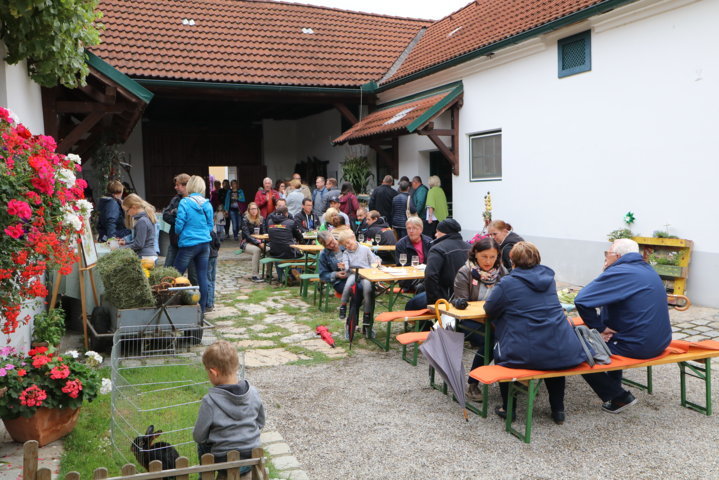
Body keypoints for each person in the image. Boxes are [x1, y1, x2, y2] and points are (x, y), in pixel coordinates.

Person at [484, 242, 585, 424]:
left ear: (511, 261)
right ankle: (558, 410)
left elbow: (489, 309)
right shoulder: (549, 280)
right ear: (537, 259)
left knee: (502, 351)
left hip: (525, 352)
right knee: (551, 357)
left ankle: (508, 408)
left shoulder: (508, 283)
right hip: (560, 348)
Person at [575, 238, 672, 413]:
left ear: (617, 256)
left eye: (607, 253)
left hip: (639, 345)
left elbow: (581, 300)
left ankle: (618, 396)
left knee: (577, 349)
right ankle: (615, 387)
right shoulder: (648, 269)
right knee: (611, 333)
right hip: (661, 341)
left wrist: (599, 328)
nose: (605, 257)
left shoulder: (619, 272)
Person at [194, 341, 265, 480]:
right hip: (252, 456)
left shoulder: (210, 401)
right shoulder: (254, 393)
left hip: (224, 462)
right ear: (236, 366)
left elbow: (198, 436)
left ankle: (204, 477)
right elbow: (261, 422)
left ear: (213, 372)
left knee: (202, 444)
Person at [453, 238, 507, 401]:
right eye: (484, 256)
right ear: (475, 254)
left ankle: (515, 380)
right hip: (470, 320)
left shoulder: (502, 271)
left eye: (492, 257)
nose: (488, 261)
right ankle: (473, 384)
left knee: (514, 336)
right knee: (491, 341)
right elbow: (463, 304)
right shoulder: (465, 272)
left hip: (494, 319)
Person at [405, 218, 469, 311]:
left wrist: (434, 302)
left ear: (443, 232)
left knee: (410, 305)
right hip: (465, 297)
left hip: (444, 297)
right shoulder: (469, 247)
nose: (435, 235)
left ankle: (425, 325)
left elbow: (430, 276)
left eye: (437, 232)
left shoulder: (438, 248)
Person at [173, 175, 214, 312]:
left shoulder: (185, 202)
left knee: (176, 274)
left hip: (188, 243)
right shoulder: (207, 204)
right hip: (204, 244)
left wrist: (182, 232)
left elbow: (179, 225)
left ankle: (173, 306)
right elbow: (210, 225)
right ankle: (201, 310)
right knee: (202, 276)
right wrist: (202, 233)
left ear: (190, 186)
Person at [337, 230, 380, 329]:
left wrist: (377, 263)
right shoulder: (346, 253)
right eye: (345, 245)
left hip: (365, 274)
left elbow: (373, 262)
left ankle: (367, 314)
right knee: (348, 284)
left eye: (348, 242)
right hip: (354, 273)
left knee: (367, 289)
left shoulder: (365, 249)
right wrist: (344, 266)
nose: (347, 246)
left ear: (353, 238)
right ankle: (343, 305)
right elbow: (347, 267)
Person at [394, 216, 432, 292]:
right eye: (408, 228)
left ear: (421, 230)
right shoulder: (401, 244)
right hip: (408, 278)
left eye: (414, 228)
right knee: (423, 286)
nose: (411, 231)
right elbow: (400, 265)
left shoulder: (429, 242)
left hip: (427, 275)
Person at [119, 194, 157, 261]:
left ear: (134, 207)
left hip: (145, 257)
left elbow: (139, 244)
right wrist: (127, 243)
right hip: (149, 256)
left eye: (127, 211)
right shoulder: (147, 217)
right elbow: (141, 240)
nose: (127, 214)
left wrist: (120, 249)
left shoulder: (142, 221)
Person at [162, 173, 190, 268]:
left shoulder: (194, 200)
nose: (175, 187)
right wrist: (179, 220)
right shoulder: (175, 199)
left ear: (185, 185)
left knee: (193, 276)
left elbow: (190, 220)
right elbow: (165, 215)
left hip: (189, 243)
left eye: (177, 185)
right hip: (174, 241)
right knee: (167, 270)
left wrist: (175, 214)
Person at [241, 202, 265, 282]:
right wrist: (258, 243)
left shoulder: (261, 219)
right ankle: (255, 275)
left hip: (259, 241)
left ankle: (268, 274)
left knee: (270, 249)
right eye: (252, 209)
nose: (254, 211)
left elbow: (264, 233)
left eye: (255, 209)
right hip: (246, 243)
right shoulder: (245, 219)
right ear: (249, 210)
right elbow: (247, 235)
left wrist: (262, 242)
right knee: (256, 250)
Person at [206, 230, 221, 312]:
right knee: (212, 280)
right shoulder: (212, 232)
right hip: (214, 255)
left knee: (208, 280)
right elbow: (218, 244)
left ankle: (209, 303)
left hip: (208, 256)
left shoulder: (204, 231)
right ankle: (211, 302)